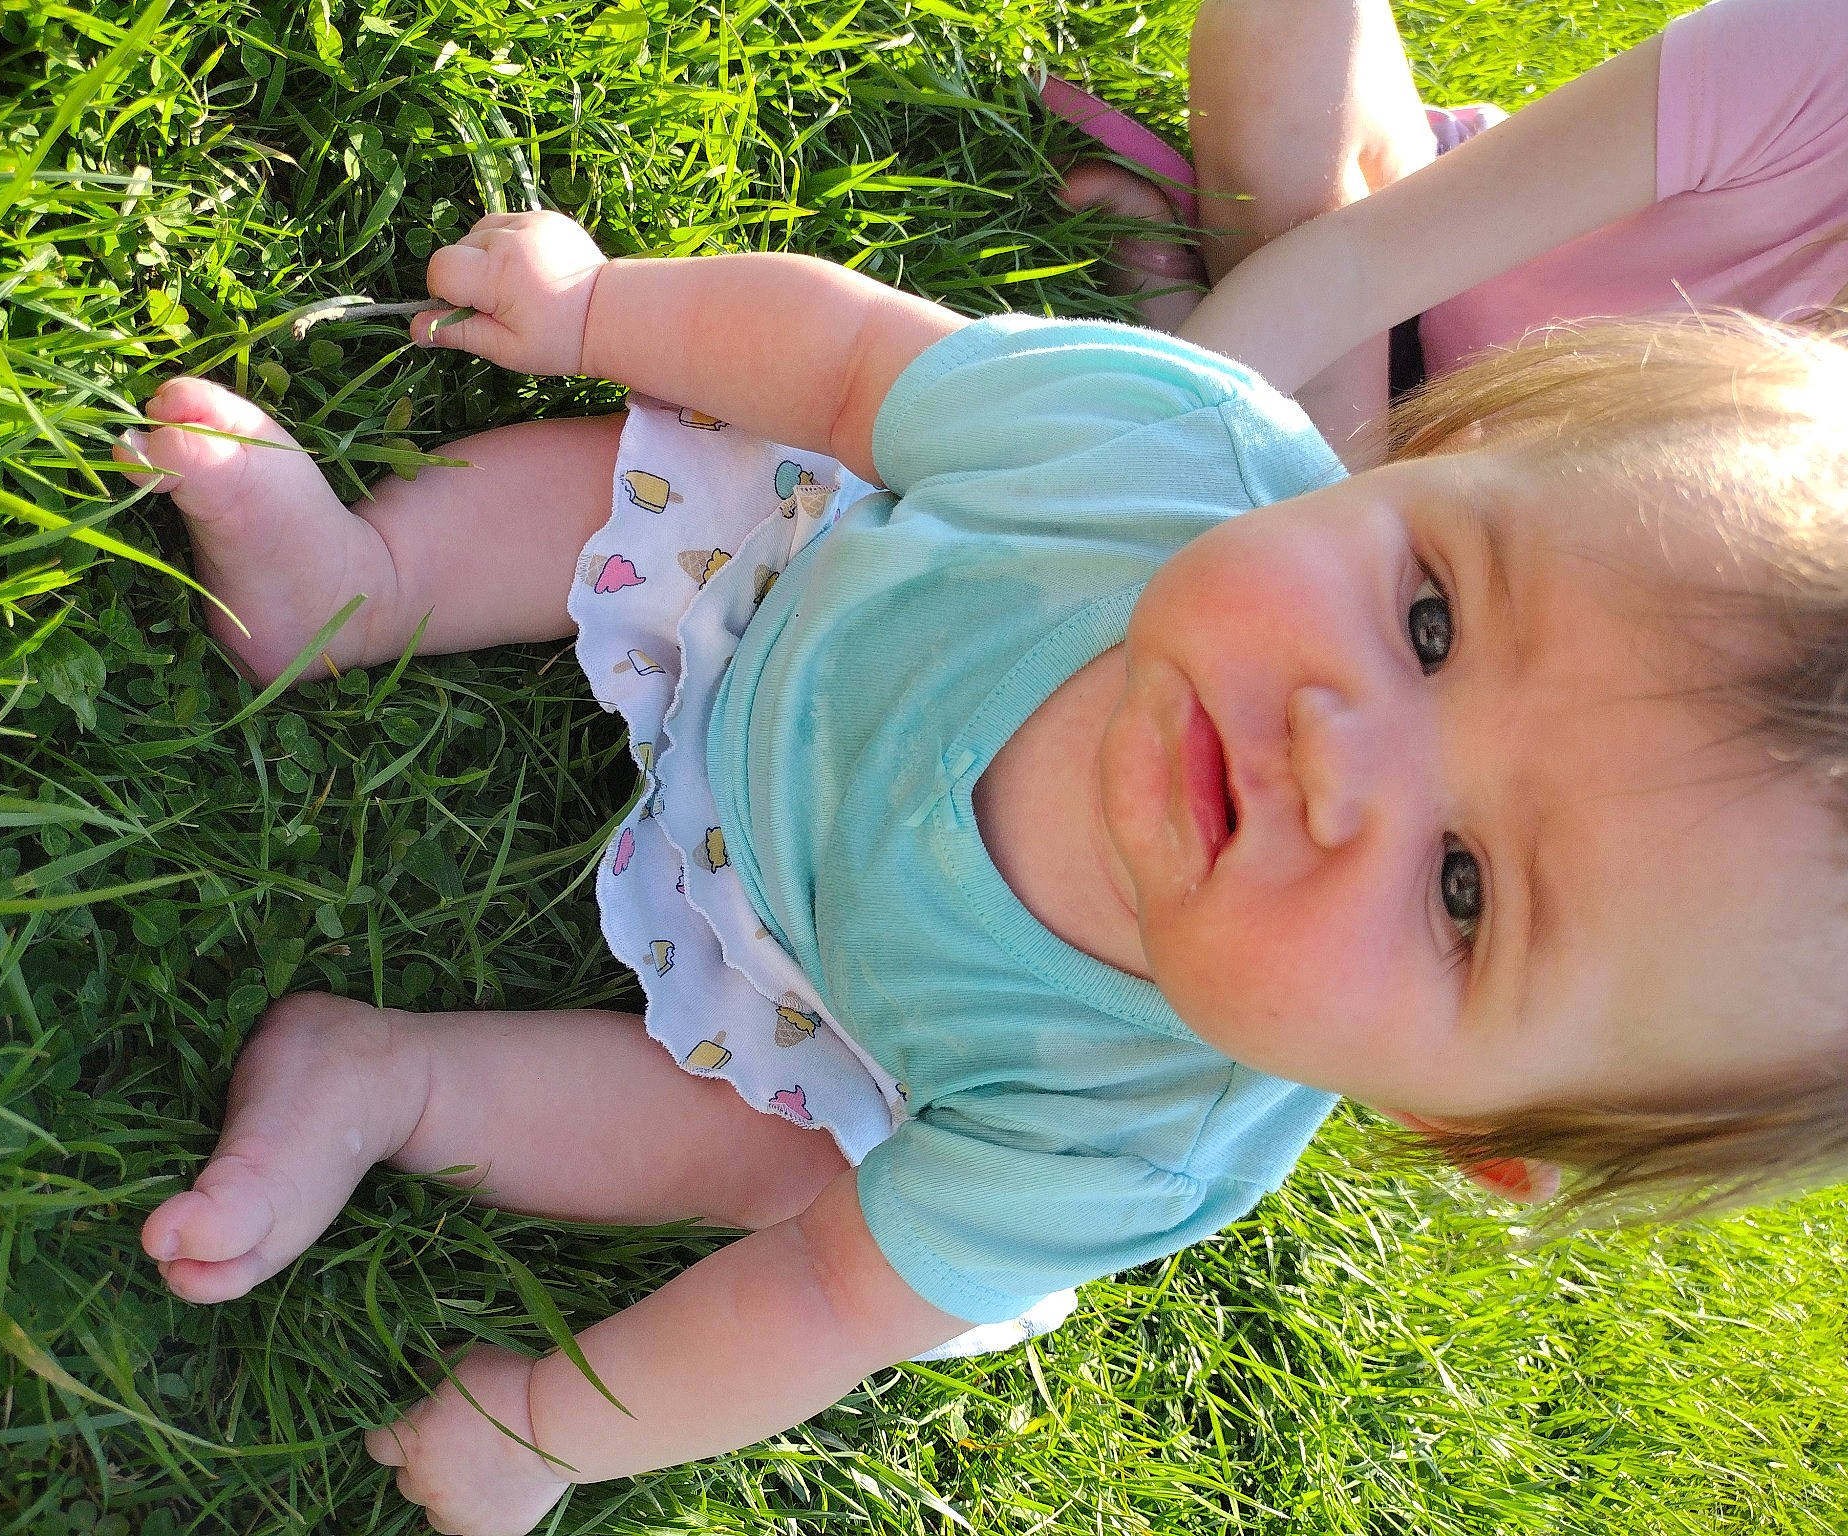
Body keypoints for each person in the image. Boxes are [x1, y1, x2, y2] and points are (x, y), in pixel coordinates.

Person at [116, 208, 1848, 1536]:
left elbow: (811, 1303)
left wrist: (546, 1433)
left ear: (1460, 1127)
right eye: (1428, 617)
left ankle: (389, 1081)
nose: (1334, 756)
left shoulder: (1120, 1130)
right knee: (667, 487)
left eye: (1462, 889)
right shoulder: (1164, 458)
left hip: (807, 997)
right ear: (1442, 458)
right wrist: (593, 309)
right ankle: (351, 578)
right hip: (782, 606)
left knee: (783, 1178)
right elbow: (853, 364)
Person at [1057, 0, 1848, 461]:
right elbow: (1355, 264)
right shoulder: (1821, 48)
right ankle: (1249, 448)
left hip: (1503, 532)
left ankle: (1177, 317)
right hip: (1415, 260)